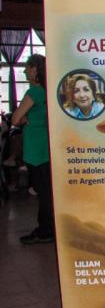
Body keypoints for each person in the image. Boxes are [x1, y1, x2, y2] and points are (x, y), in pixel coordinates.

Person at [11, 54, 55, 244]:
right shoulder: (49, 90)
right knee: (46, 190)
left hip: (35, 148)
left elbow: (15, 119)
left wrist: (23, 119)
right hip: (46, 145)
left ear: (35, 69)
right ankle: (49, 228)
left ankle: (45, 230)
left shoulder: (35, 92)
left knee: (42, 191)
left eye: (27, 67)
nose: (24, 70)